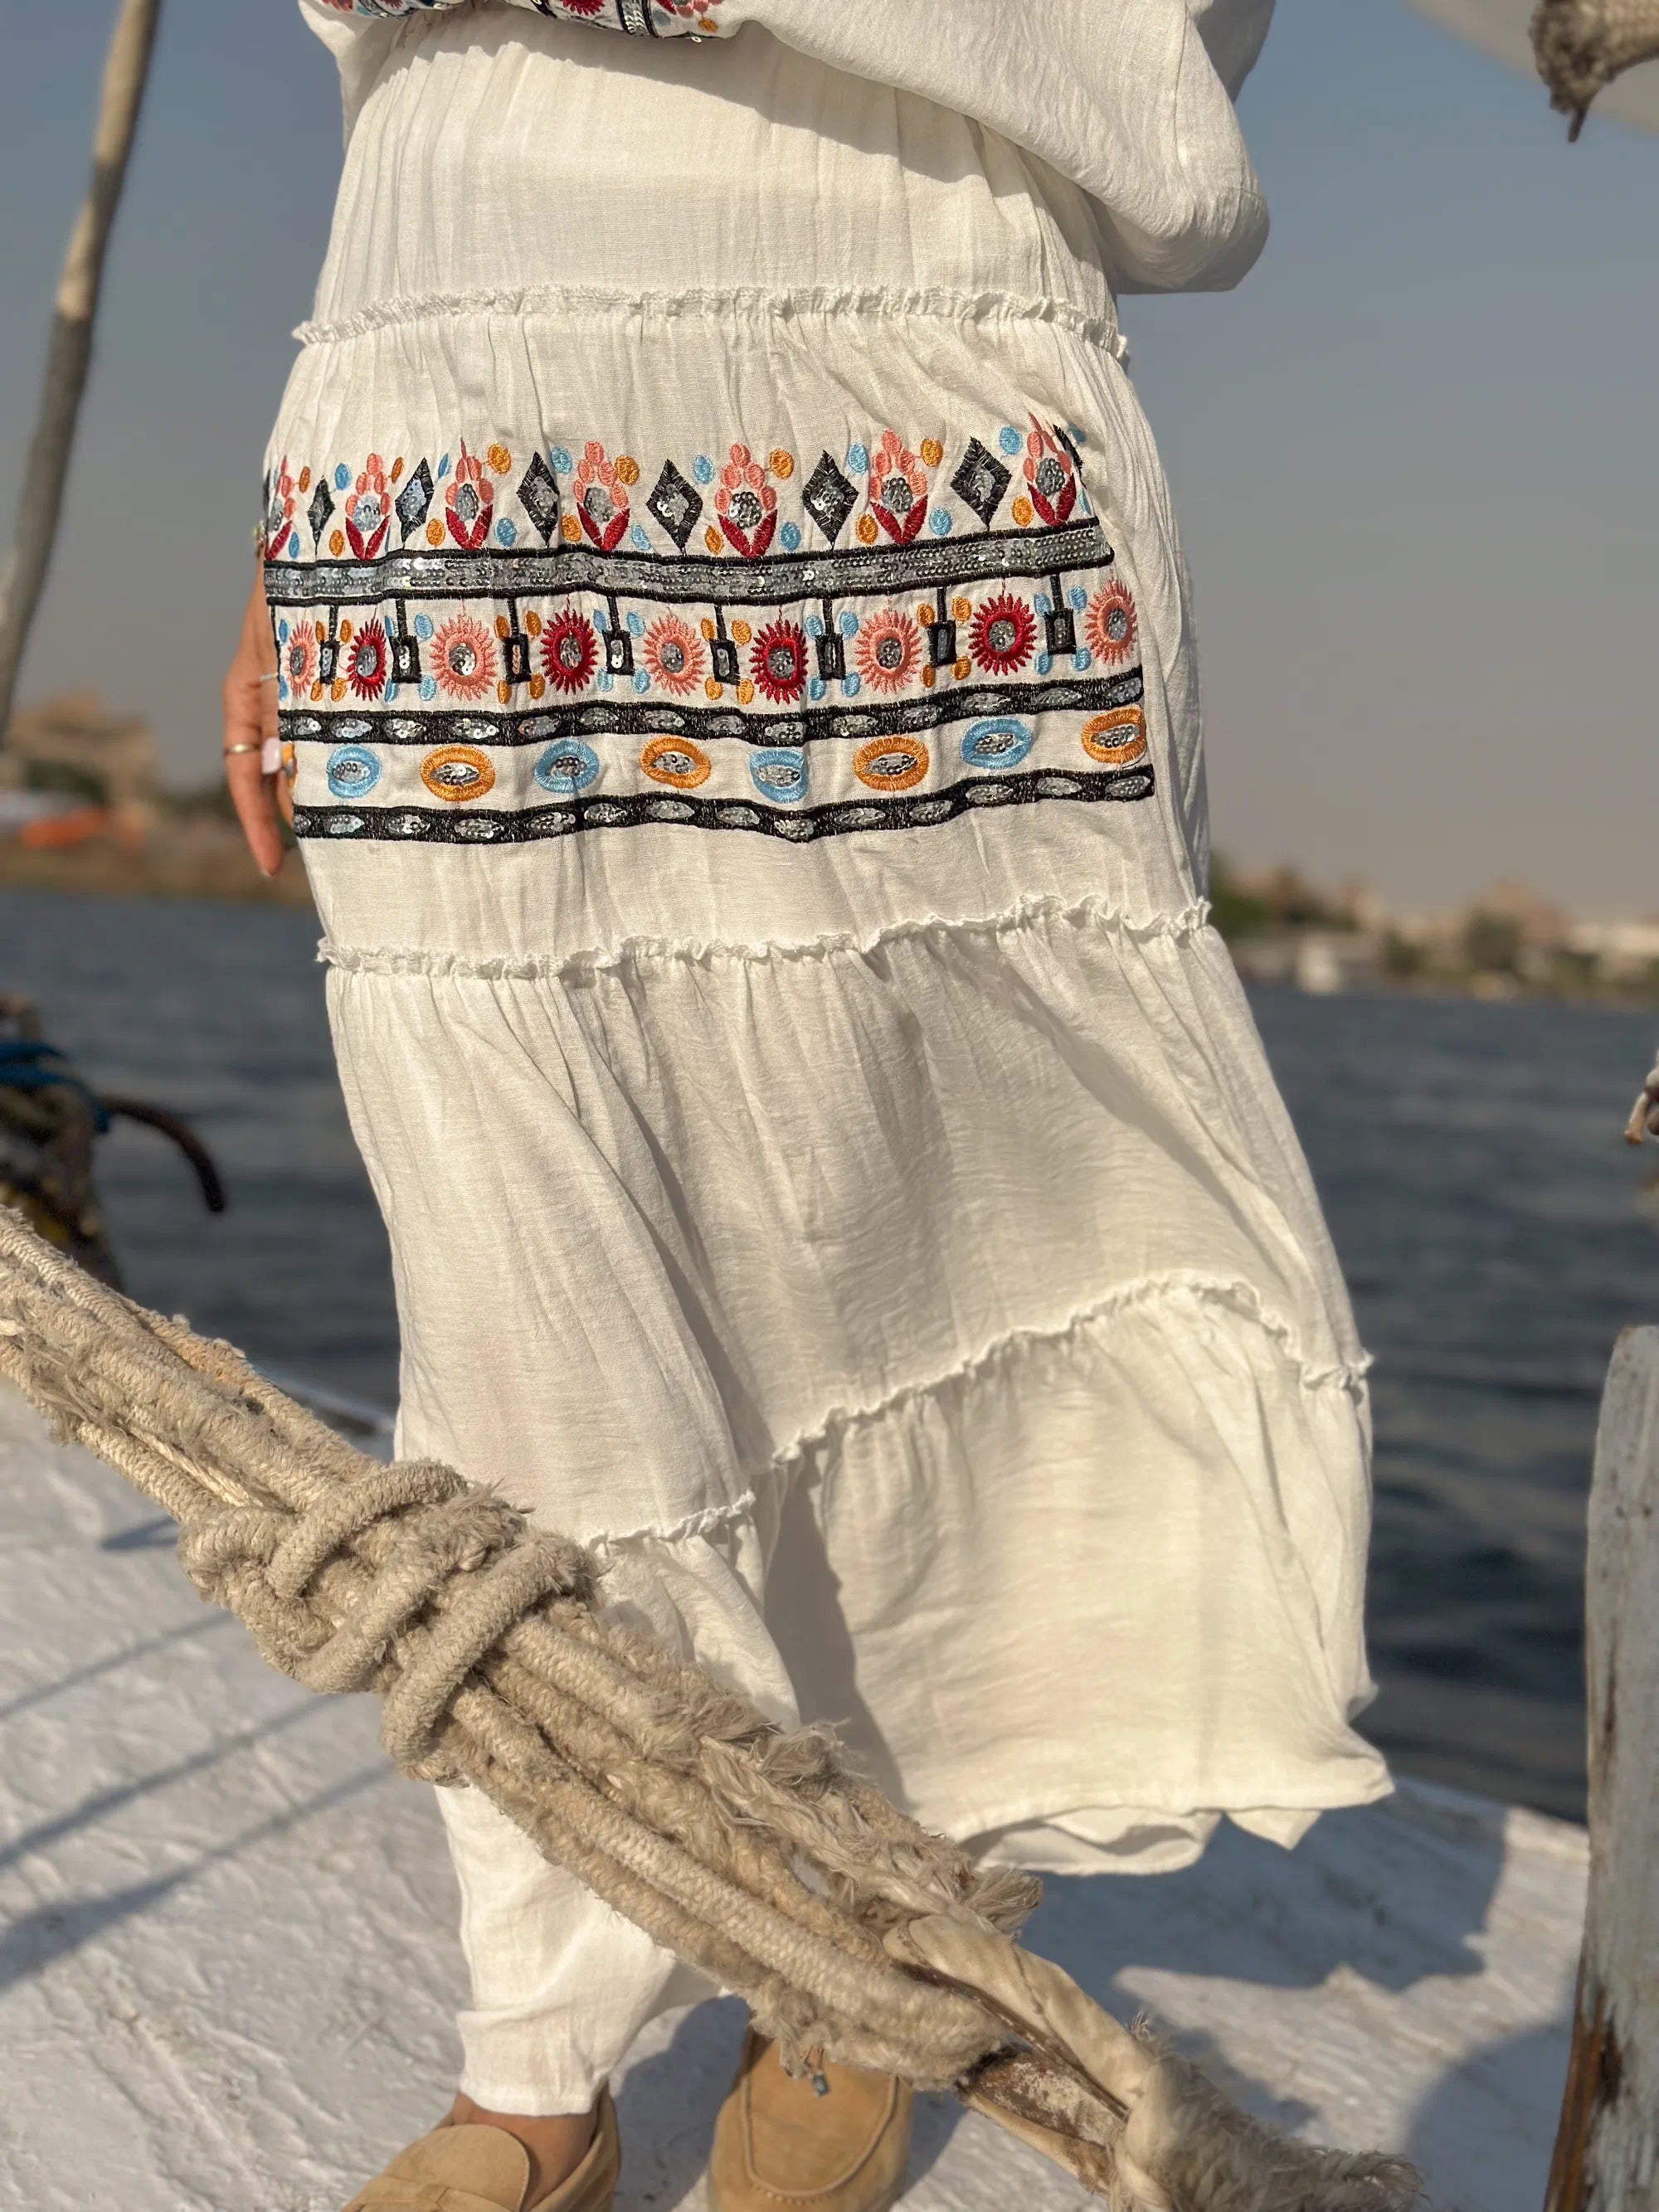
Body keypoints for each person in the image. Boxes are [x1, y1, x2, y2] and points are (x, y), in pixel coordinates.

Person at [221, 6, 1389, 2209]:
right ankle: (535, 2062)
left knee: (917, 1203)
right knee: (510, 1275)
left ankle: (860, 1930)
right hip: (441, 349)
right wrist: (289, 500)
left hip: (893, 324)